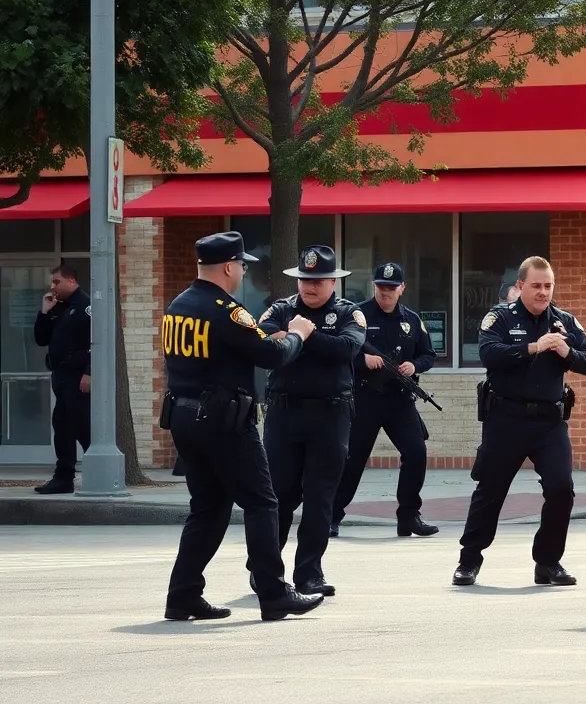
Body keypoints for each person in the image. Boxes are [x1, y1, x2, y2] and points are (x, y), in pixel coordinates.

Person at [162, 231, 324, 622]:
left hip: (184, 418)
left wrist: (270, 336)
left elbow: (224, 349)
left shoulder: (178, 305)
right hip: (224, 421)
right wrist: (299, 335)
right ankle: (274, 592)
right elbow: (271, 356)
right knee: (262, 502)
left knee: (208, 508)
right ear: (228, 267)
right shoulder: (227, 310)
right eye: (241, 265)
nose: (243, 272)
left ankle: (183, 594)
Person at [452, 256, 586, 587]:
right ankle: (469, 560)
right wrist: (532, 347)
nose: (543, 292)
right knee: (490, 489)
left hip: (549, 424)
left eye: (548, 286)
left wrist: (567, 353)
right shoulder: (500, 317)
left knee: (561, 489)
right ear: (520, 285)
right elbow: (488, 354)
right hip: (507, 420)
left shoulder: (564, 321)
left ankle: (548, 562)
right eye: (536, 285)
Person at [255, 246, 366, 597]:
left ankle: (309, 574)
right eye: (305, 280)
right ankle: (265, 571)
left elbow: (346, 350)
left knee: (320, 498)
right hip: (284, 415)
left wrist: (304, 335)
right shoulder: (282, 309)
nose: (310, 287)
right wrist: (302, 336)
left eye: (318, 281)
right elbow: (261, 339)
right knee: (278, 495)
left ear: (333, 282)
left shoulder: (348, 313)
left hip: (330, 416)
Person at [331, 261, 438, 539]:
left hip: (399, 400)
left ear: (402, 288)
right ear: (373, 286)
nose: (385, 292)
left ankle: (409, 516)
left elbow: (428, 355)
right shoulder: (357, 316)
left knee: (416, 452)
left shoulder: (412, 320)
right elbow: (339, 350)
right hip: (364, 398)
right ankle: (331, 516)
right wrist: (362, 360)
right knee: (352, 459)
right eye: (380, 286)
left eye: (391, 287)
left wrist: (414, 366)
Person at [32, 265, 91, 494]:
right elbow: (41, 339)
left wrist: (89, 372)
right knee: (63, 426)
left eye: (57, 282)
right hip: (60, 376)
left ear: (71, 281)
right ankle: (63, 478)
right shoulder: (57, 308)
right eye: (52, 282)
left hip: (78, 377)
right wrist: (44, 312)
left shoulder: (86, 306)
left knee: (82, 426)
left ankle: (102, 471)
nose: (52, 286)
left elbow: (97, 342)